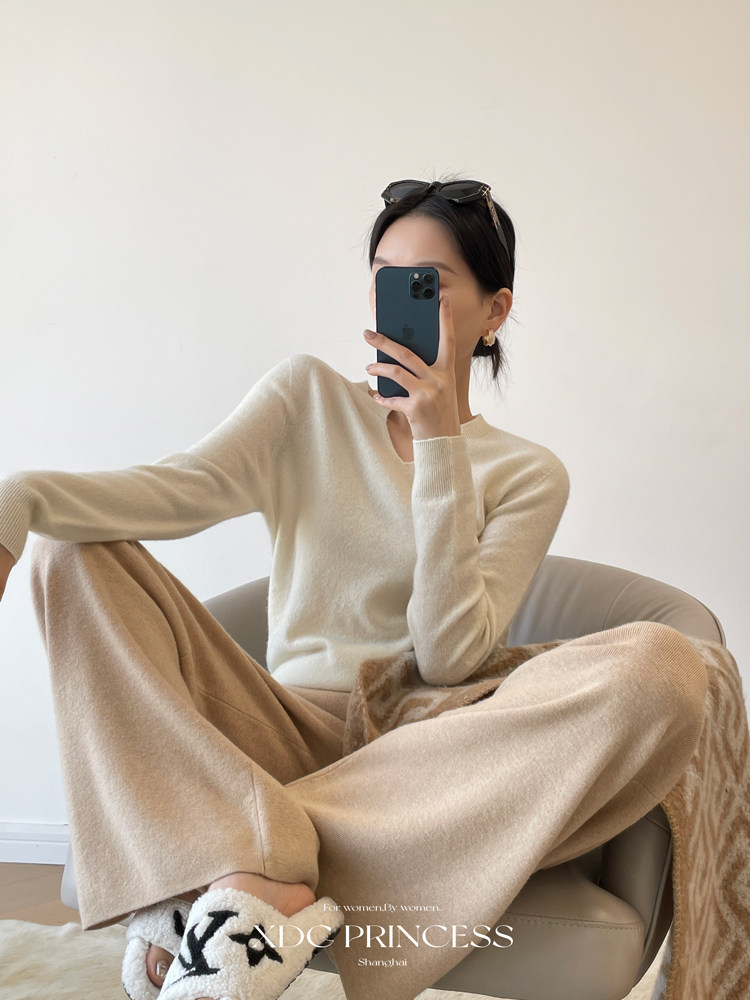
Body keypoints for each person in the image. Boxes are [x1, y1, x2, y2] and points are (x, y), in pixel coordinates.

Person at [0, 179, 707, 1000]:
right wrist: (18, 502)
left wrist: (439, 445)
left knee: (662, 666)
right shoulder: (304, 398)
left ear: (495, 311)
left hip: (415, 758)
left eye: (426, 284)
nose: (396, 299)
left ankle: (235, 861)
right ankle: (260, 855)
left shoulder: (527, 473)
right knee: (69, 553)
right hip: (266, 733)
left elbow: (449, 658)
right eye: (384, 277)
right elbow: (179, 489)